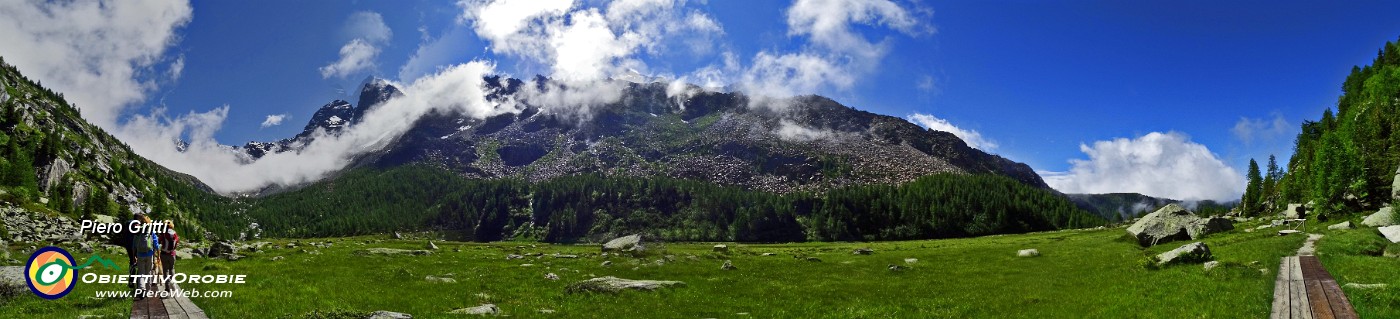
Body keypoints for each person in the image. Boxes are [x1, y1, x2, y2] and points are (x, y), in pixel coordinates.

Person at [132, 214, 159, 300]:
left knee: (141, 273)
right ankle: (148, 290)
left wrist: (134, 256)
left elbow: (134, 245)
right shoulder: (151, 231)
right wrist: (158, 255)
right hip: (149, 254)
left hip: (140, 254)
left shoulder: (138, 231)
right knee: (149, 272)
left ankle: (142, 289)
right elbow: (156, 244)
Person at [158, 220, 179, 294]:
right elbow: (176, 242)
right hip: (172, 254)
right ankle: (173, 285)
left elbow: (159, 241)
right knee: (172, 268)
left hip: (164, 254)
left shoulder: (163, 233)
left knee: (165, 270)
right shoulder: (174, 233)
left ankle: (167, 288)